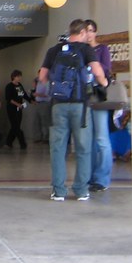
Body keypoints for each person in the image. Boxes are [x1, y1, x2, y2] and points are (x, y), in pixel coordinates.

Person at [38, 19, 108, 202]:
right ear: (83, 32)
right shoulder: (86, 49)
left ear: (70, 32)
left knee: (58, 148)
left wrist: (56, 87)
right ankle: (81, 190)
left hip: (58, 105)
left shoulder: (54, 50)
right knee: (83, 148)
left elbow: (42, 76)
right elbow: (98, 72)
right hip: (79, 105)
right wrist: (104, 83)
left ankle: (58, 191)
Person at [85, 19, 114, 191]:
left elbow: (106, 69)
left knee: (102, 138)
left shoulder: (102, 49)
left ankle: (102, 179)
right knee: (88, 140)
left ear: (95, 32)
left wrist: (92, 62)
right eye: (86, 30)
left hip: (99, 96)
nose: (88, 34)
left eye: (91, 30)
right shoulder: (80, 50)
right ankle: (88, 176)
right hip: (84, 97)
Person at [4, 69, 30, 149]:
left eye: (20, 76)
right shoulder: (9, 86)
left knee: (15, 126)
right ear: (13, 77)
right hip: (12, 109)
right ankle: (23, 144)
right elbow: (8, 98)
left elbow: (24, 95)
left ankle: (8, 142)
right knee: (16, 126)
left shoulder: (19, 85)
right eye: (18, 76)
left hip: (19, 109)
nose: (19, 78)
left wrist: (30, 100)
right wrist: (17, 104)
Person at [31, 76, 51, 143]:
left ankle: (46, 138)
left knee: (45, 121)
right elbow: (34, 88)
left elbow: (47, 94)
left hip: (45, 103)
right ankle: (38, 137)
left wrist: (37, 94)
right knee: (36, 121)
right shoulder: (38, 83)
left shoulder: (48, 83)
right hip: (38, 103)